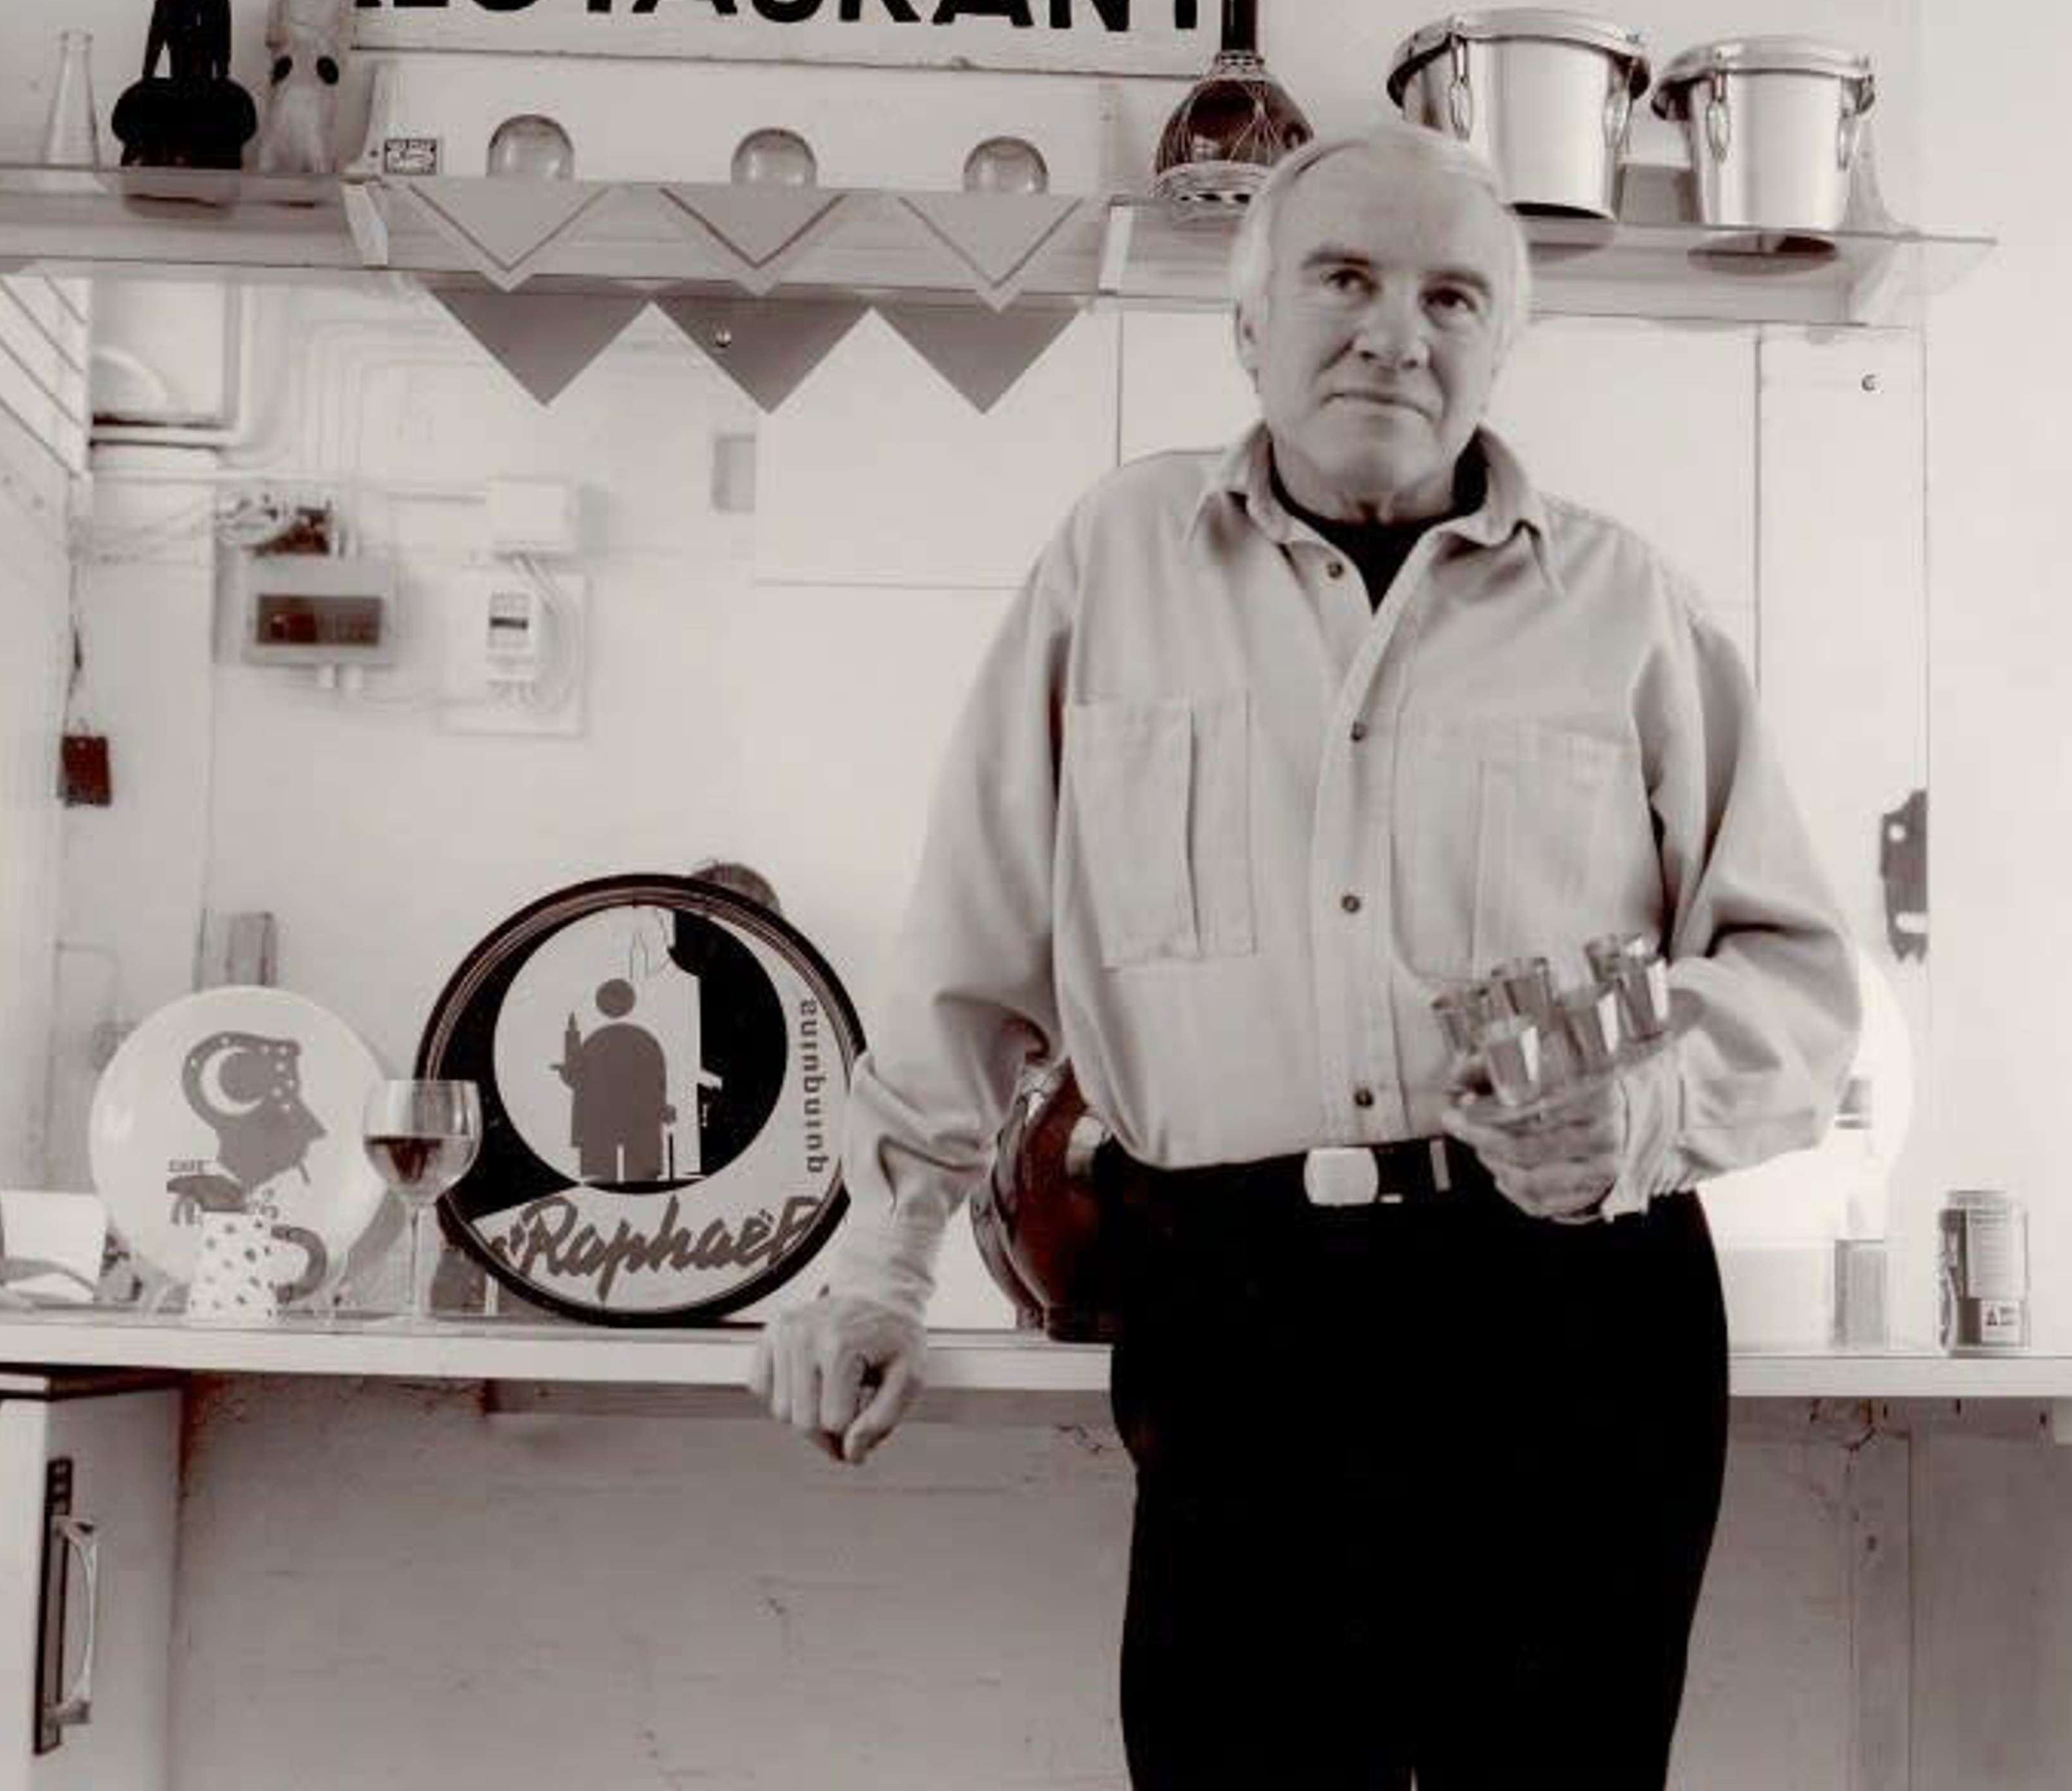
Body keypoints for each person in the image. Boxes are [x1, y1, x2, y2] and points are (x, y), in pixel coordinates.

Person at [747, 121, 1859, 1789]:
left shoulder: (1631, 610)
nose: (1397, 333)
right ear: (1248, 322)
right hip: (1238, 1300)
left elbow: (1801, 987)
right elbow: (969, 957)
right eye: (1344, 278)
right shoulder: (1110, 565)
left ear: (1506, 342)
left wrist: (1644, 1109)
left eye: (1453, 296)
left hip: (1574, 1314)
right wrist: (877, 1265)